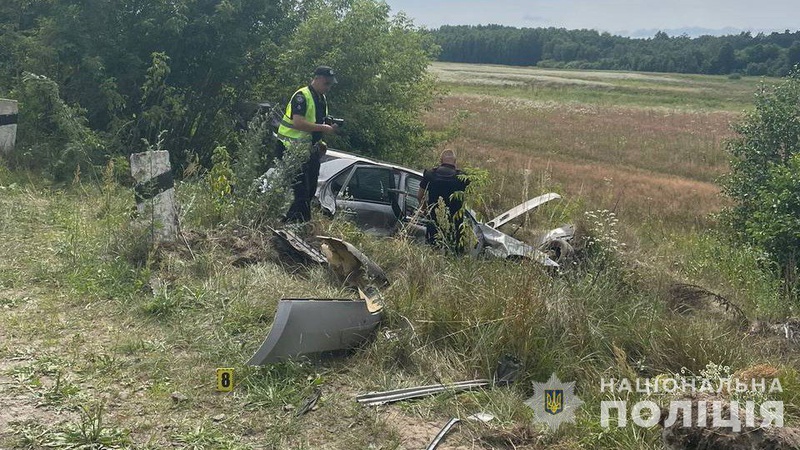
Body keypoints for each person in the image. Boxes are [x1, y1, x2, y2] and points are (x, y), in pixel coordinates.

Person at [275, 66, 340, 223]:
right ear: (316, 79)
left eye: (330, 84)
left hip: (310, 150)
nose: (328, 87)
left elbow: (315, 124)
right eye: (326, 83)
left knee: (310, 190)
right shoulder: (301, 96)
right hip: (290, 149)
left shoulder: (321, 99)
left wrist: (321, 141)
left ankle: (290, 221)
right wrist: (324, 128)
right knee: (301, 192)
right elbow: (299, 123)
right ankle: (300, 224)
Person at [417, 150, 470, 249]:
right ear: (455, 161)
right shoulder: (463, 178)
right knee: (454, 254)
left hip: (434, 223)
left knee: (433, 251)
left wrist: (425, 211)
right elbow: (470, 198)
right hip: (456, 225)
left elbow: (420, 196)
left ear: (441, 160)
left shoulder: (430, 174)